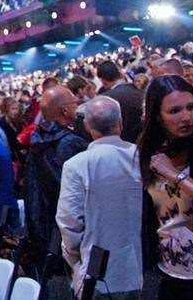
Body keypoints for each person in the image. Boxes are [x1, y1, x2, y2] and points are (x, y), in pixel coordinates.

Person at [56, 96, 142, 298]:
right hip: (141, 267)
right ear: (121, 123)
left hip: (97, 272)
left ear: (87, 126)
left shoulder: (76, 165)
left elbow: (69, 223)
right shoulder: (141, 157)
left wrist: (76, 260)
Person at [138, 75, 193, 298]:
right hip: (167, 272)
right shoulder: (149, 149)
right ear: (158, 116)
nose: (186, 117)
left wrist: (175, 175)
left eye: (190, 107)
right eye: (175, 111)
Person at [24, 85, 89, 272]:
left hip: (46, 226)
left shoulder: (38, 140)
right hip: (73, 227)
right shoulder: (72, 143)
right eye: (75, 103)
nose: (78, 107)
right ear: (65, 110)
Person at [98, 60, 145, 143]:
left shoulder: (105, 99)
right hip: (144, 144)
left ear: (102, 80)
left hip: (119, 147)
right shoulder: (141, 92)